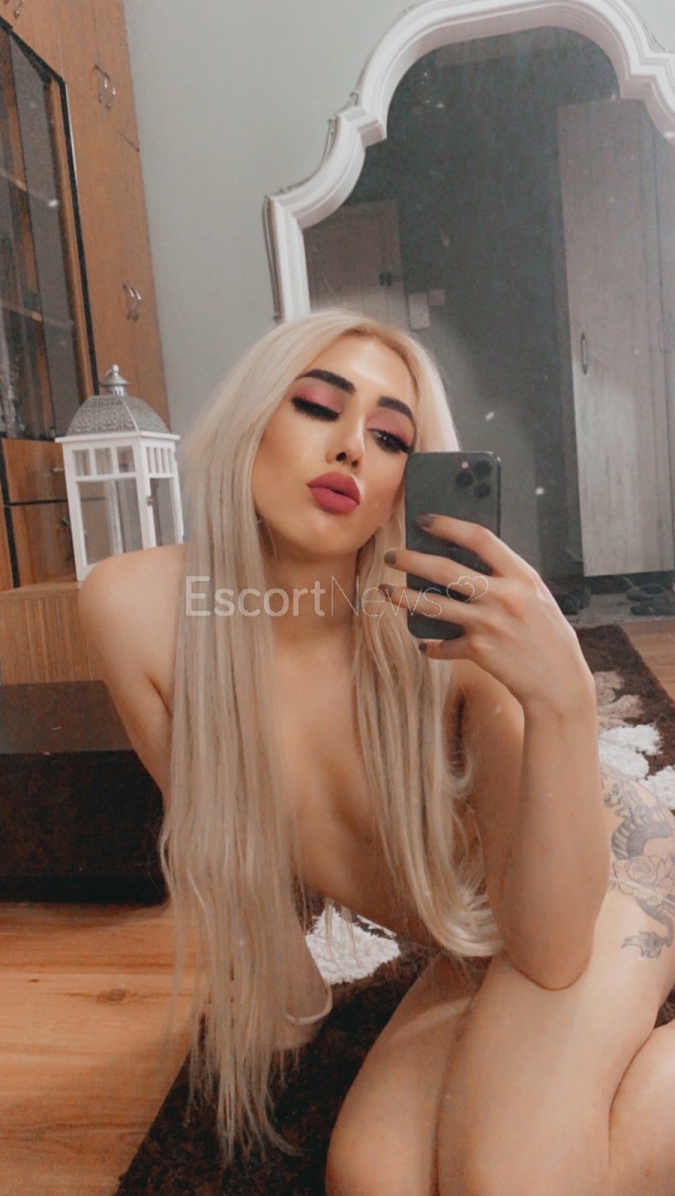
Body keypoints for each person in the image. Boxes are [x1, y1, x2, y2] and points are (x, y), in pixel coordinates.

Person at [79, 309, 675, 1196]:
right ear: (252, 420)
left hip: (603, 885)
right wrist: (288, 1002)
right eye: (318, 406)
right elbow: (223, 845)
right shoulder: (134, 611)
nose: (351, 447)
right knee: (370, 1178)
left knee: (511, 1180)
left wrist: (561, 699)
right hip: (470, 935)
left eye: (391, 437)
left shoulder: (444, 639)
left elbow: (549, 951)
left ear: (407, 481)